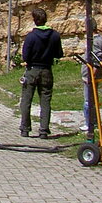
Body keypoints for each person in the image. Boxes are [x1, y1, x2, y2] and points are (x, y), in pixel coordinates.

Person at [20, 7, 64, 138]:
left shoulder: (31, 36)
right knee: (45, 101)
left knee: (26, 100)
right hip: (46, 70)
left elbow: (25, 55)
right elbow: (59, 54)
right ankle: (44, 130)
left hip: (32, 69)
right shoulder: (55, 35)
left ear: (34, 20)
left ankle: (25, 128)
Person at [81, 17, 102, 133]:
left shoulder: (95, 42)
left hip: (91, 76)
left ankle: (89, 123)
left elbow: (97, 62)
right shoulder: (101, 39)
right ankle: (93, 121)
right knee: (91, 99)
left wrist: (91, 76)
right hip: (93, 75)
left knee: (88, 100)